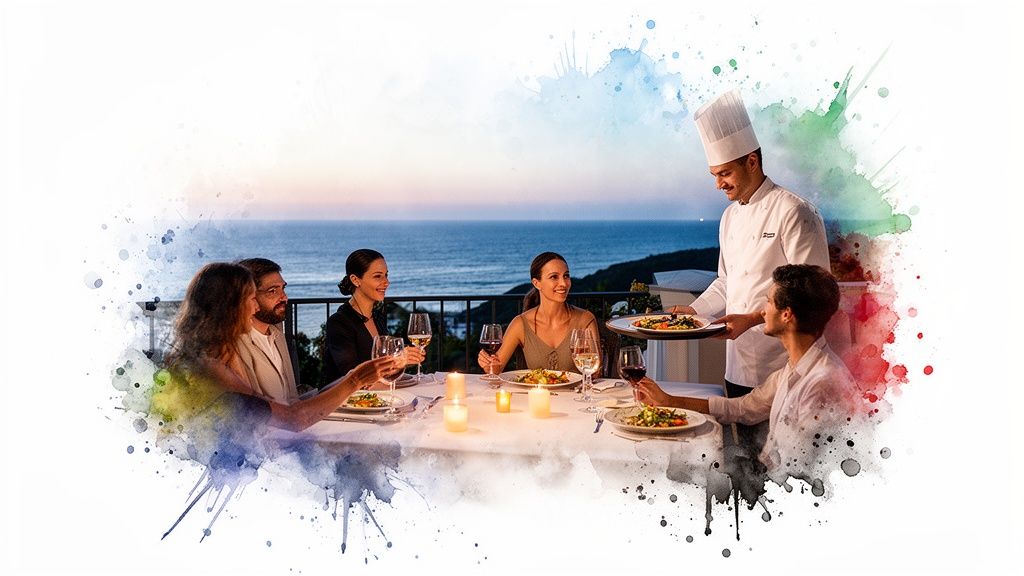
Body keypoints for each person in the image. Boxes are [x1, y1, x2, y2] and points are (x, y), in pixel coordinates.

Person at [674, 89, 831, 400]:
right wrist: (692, 312)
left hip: (784, 365)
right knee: (739, 445)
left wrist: (752, 319)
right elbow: (726, 281)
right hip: (737, 365)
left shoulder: (795, 211)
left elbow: (814, 295)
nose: (718, 184)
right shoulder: (730, 217)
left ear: (752, 161)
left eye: (725, 173)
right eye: (714, 175)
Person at [636, 264, 856, 474]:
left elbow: (802, 471)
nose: (761, 312)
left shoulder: (821, 384)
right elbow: (743, 408)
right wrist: (669, 401)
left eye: (768, 302)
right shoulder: (797, 367)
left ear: (786, 314)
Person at [162, 262, 393, 432]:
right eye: (251, 299)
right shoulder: (209, 366)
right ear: (228, 307)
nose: (254, 309)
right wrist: (355, 380)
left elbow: (269, 408)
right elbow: (290, 420)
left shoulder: (221, 354)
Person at [477, 252, 599, 374]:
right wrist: (488, 365)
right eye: (554, 277)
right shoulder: (521, 324)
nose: (563, 283)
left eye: (566, 276)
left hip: (577, 393)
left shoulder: (585, 320)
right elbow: (496, 368)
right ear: (537, 283)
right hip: (535, 393)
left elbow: (596, 371)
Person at [322, 249, 424, 385]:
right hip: (349, 403)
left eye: (386, 275)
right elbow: (352, 377)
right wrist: (398, 359)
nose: (386, 282)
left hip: (377, 398)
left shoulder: (376, 316)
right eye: (378, 276)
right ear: (355, 280)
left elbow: (384, 369)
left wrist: (406, 359)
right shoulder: (339, 323)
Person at [234, 258, 301, 404]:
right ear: (248, 296)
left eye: (283, 288)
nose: (284, 298)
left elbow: (291, 397)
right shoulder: (235, 344)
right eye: (272, 291)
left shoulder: (276, 331)